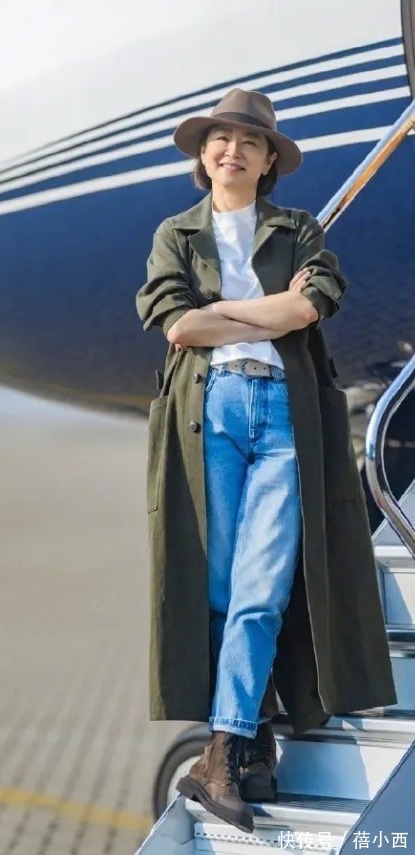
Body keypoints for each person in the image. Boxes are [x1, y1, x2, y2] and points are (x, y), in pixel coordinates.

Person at [135, 88, 396, 834]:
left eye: (250, 142)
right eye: (220, 139)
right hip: (208, 413)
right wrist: (259, 311)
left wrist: (220, 312)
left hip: (283, 413)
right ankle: (249, 741)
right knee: (218, 588)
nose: (233, 150)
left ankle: (221, 755)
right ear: (203, 153)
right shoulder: (176, 234)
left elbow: (308, 307)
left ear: (267, 161)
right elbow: (175, 325)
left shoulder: (298, 229)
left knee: (259, 591)